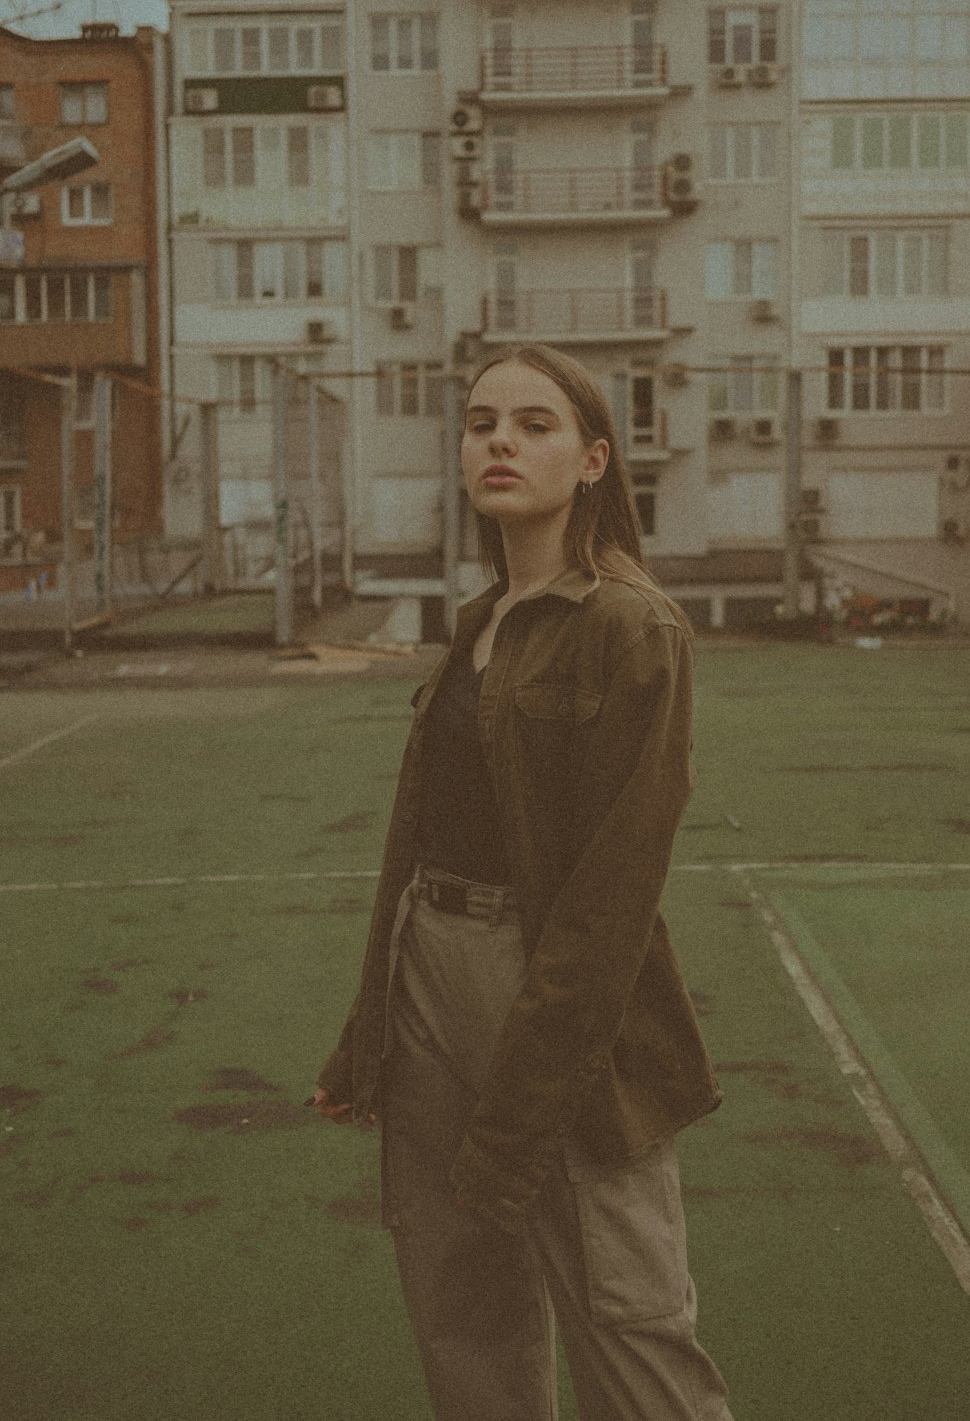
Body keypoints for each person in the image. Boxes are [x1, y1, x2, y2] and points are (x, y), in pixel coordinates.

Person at [314, 344, 731, 1421]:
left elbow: (606, 906)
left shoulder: (632, 628)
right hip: (429, 973)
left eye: (535, 424)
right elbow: (417, 846)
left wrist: (522, 1106)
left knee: (629, 1329)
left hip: (556, 995)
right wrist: (370, 1025)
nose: (500, 439)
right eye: (482, 421)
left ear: (593, 460)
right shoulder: (480, 618)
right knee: (465, 1313)